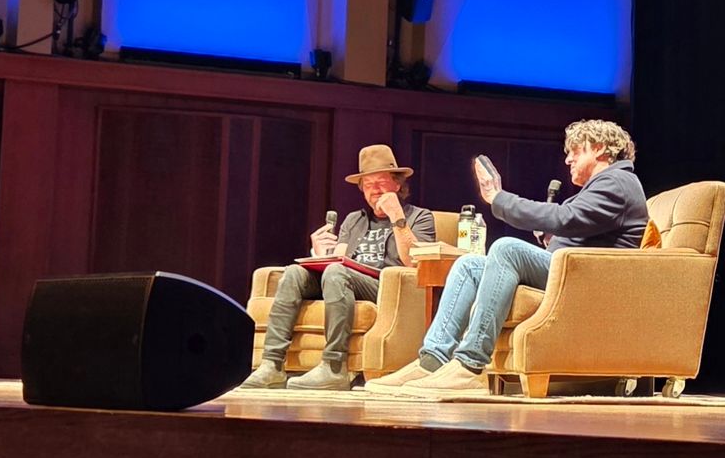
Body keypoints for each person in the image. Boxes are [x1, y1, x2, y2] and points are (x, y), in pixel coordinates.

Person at [364, 119, 648, 397]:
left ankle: (470, 364)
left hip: (590, 278)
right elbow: (581, 226)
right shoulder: (607, 184)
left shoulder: (618, 181)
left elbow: (566, 218)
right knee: (469, 265)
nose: (568, 160)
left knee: (506, 248)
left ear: (599, 148)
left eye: (576, 151)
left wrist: (498, 197)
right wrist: (552, 237)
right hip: (571, 268)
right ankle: (432, 360)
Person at [241, 144, 436, 390]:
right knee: (294, 273)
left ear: (397, 184)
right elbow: (340, 260)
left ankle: (334, 367)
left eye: (381, 182)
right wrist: (321, 256)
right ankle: (271, 365)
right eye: (368, 184)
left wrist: (397, 215)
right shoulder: (354, 220)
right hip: (345, 280)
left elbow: (415, 261)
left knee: (336, 273)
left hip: (386, 288)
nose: (375, 190)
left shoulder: (420, 217)